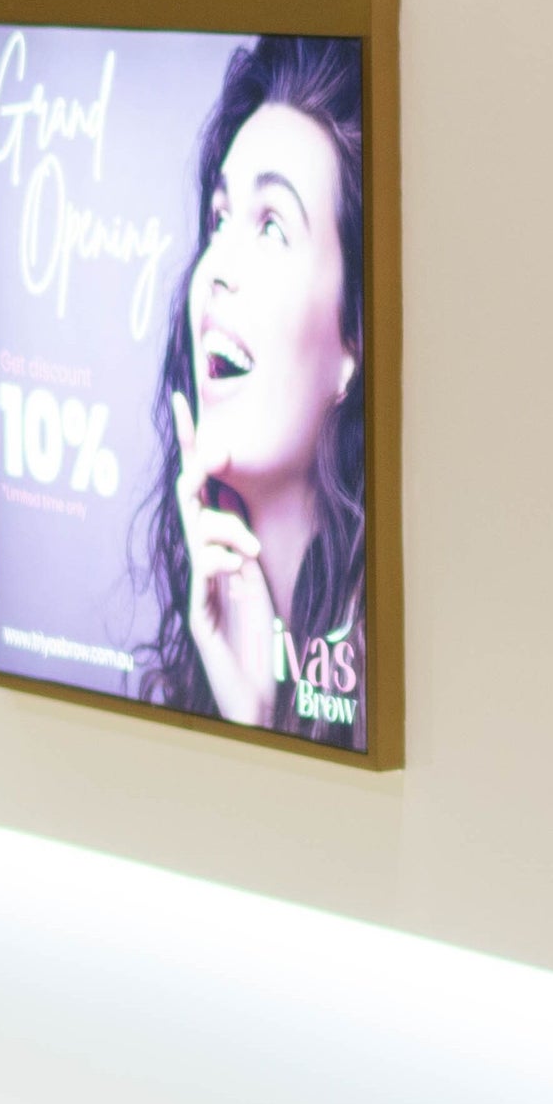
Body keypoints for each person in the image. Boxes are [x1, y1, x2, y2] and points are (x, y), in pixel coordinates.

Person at [136, 36, 371, 749]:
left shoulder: (412, 679)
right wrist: (249, 720)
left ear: (351, 347)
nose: (214, 269)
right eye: (219, 219)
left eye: (271, 225)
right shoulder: (205, 655)